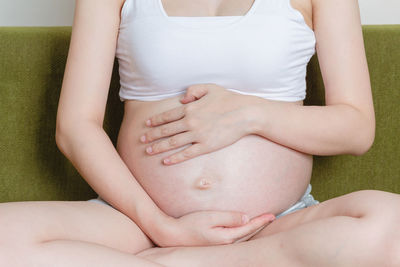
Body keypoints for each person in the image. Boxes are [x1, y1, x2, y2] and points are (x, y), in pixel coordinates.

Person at [1, 0, 399, 266]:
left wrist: (251, 114)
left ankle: (189, 262)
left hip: (275, 224)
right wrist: (162, 227)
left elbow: (356, 128)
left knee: (392, 225)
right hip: (138, 225)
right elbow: (75, 128)